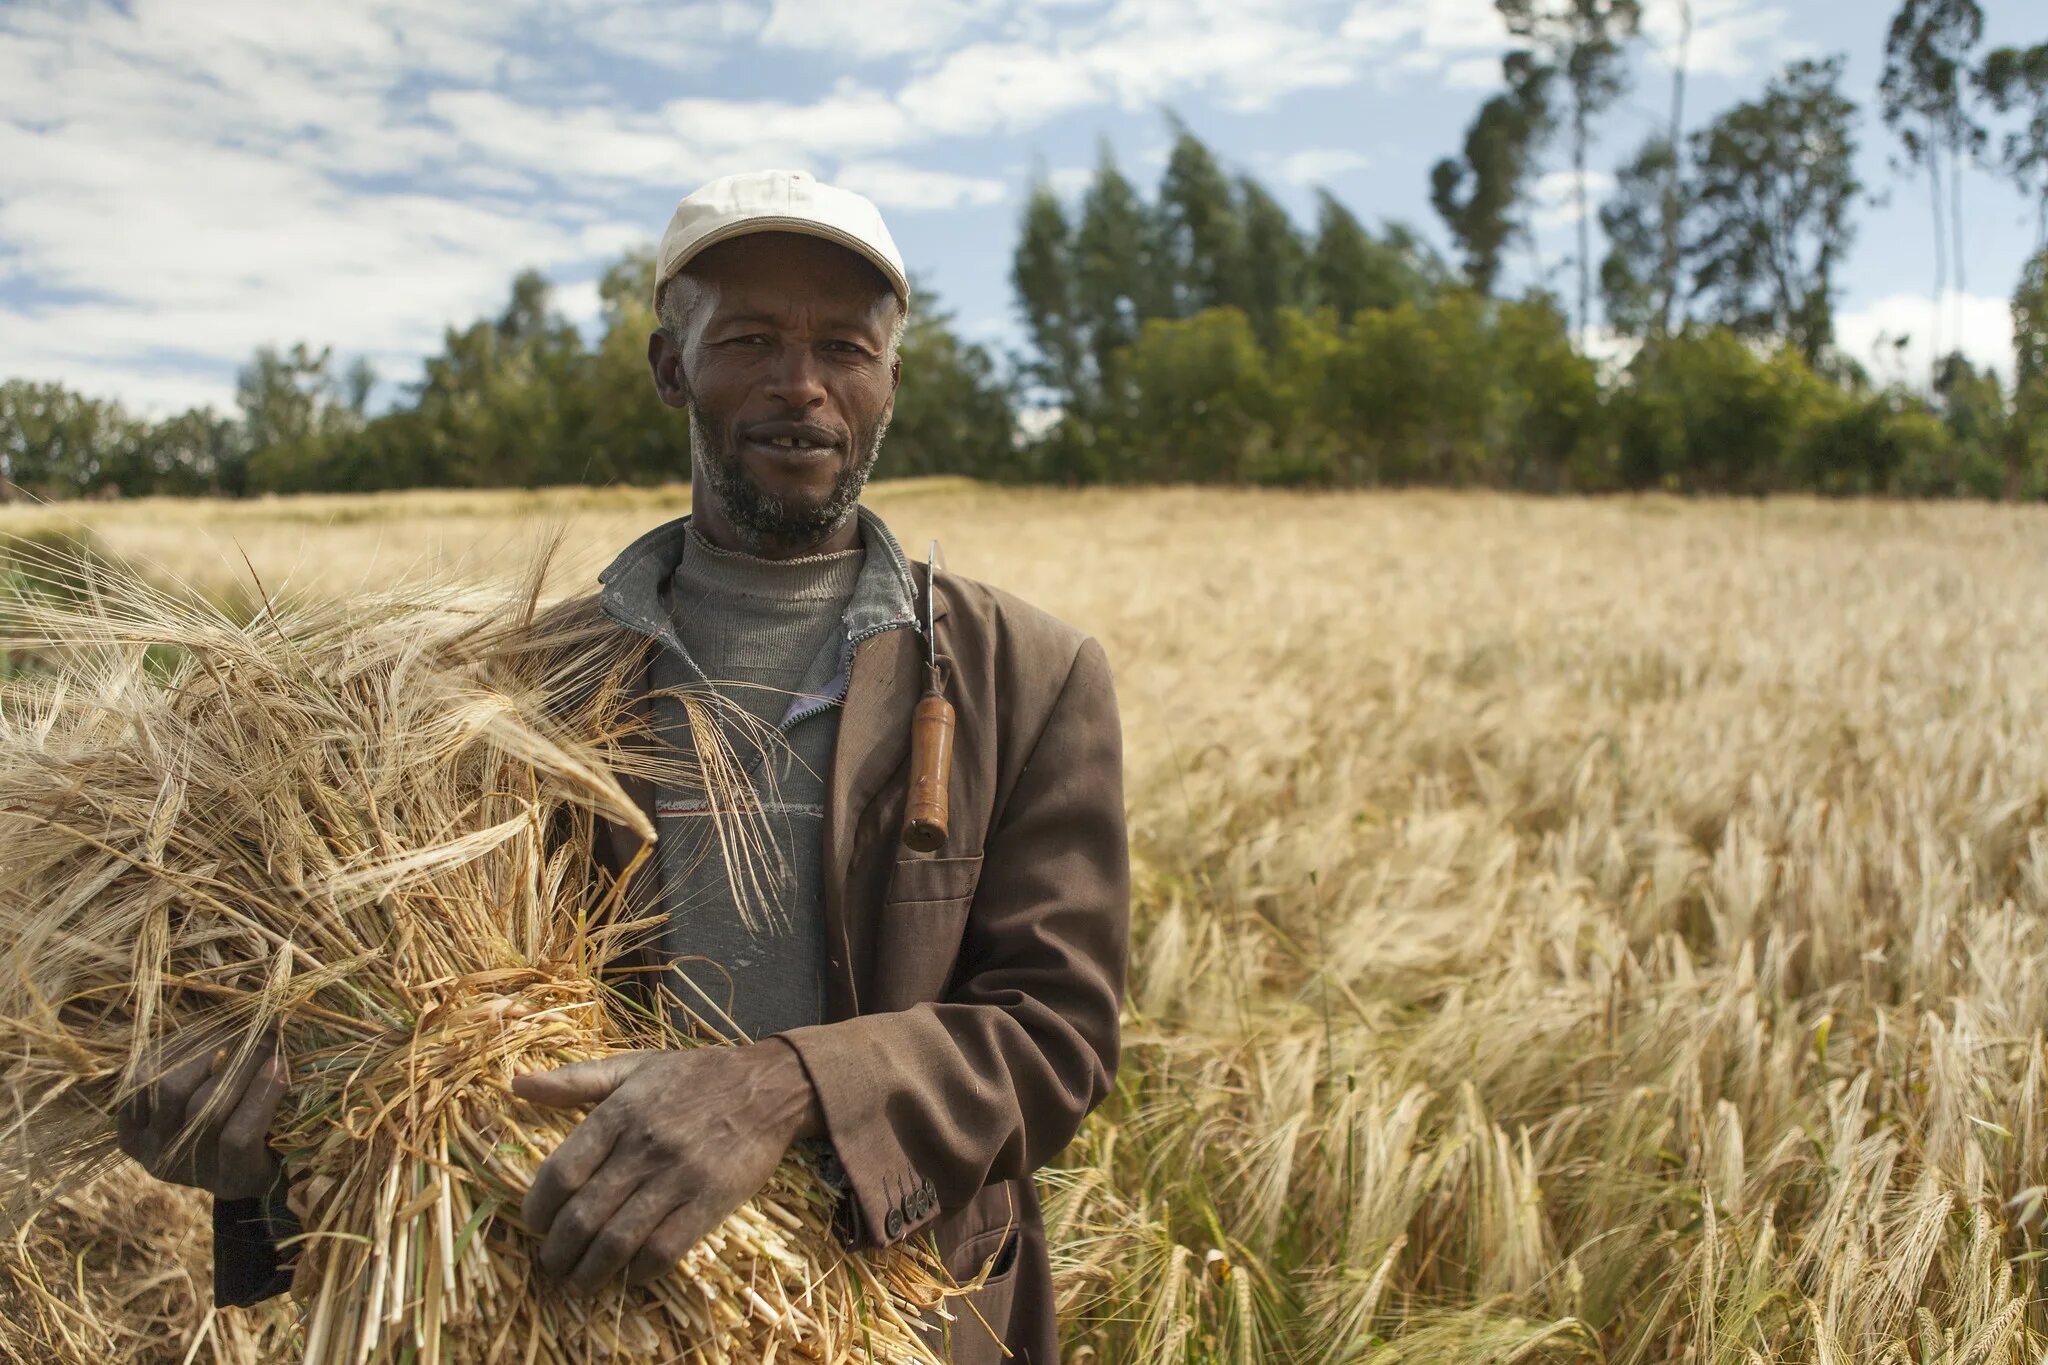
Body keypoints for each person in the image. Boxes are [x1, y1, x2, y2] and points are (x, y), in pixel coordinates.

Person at [114, 169, 1130, 1364]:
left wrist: (779, 1087)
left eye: (843, 349)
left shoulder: (1027, 675)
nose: (799, 385)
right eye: (747, 339)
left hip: (911, 1318)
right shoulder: (497, 693)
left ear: (889, 383)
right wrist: (245, 1138)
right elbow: (402, 1038)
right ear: (669, 367)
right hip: (574, 1314)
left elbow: (1053, 1035)